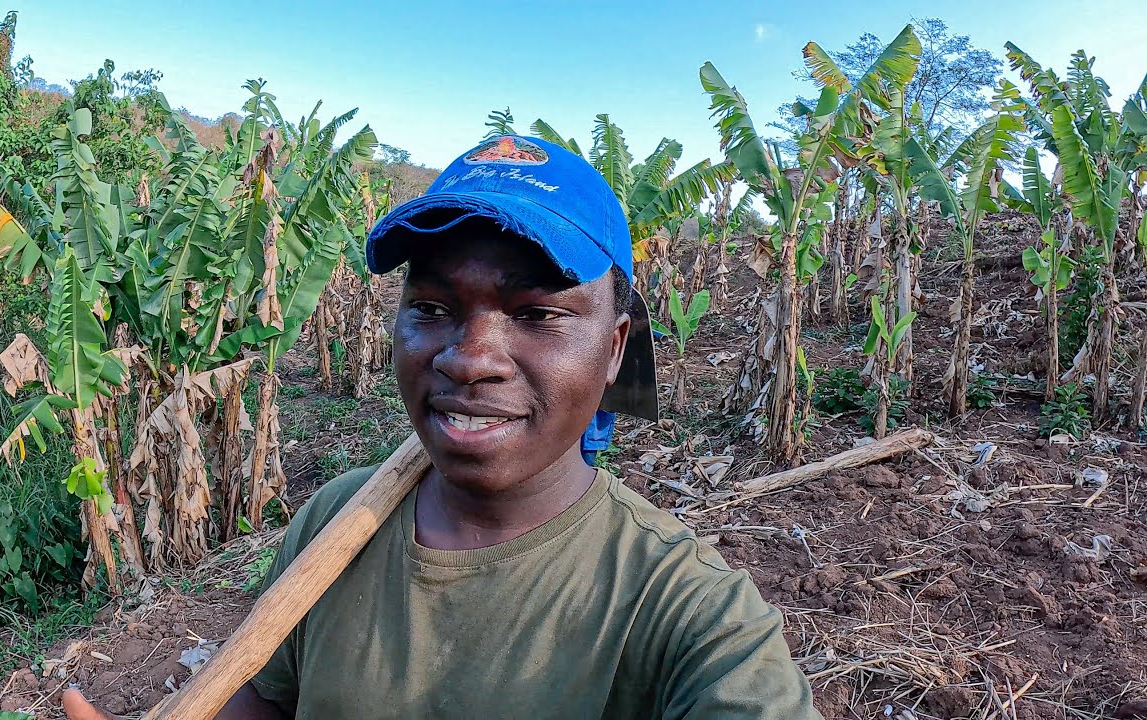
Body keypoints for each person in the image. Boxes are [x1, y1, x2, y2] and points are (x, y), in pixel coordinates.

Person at [63, 135, 821, 719]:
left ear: (615, 348)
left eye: (537, 314)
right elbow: (268, 703)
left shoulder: (691, 613)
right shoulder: (337, 521)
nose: (469, 359)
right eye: (430, 308)